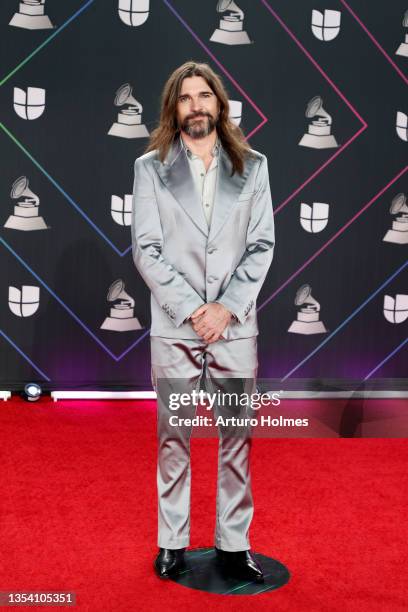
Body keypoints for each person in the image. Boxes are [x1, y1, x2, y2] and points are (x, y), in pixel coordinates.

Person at [131, 61, 275, 582]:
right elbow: (147, 250)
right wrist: (195, 310)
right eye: (185, 97)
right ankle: (172, 541)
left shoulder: (254, 166)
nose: (195, 105)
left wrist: (225, 308)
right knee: (174, 435)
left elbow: (262, 246)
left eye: (204, 95)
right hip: (176, 328)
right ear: (175, 108)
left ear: (219, 103)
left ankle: (233, 545)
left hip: (235, 328)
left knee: (237, 436)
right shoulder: (149, 168)